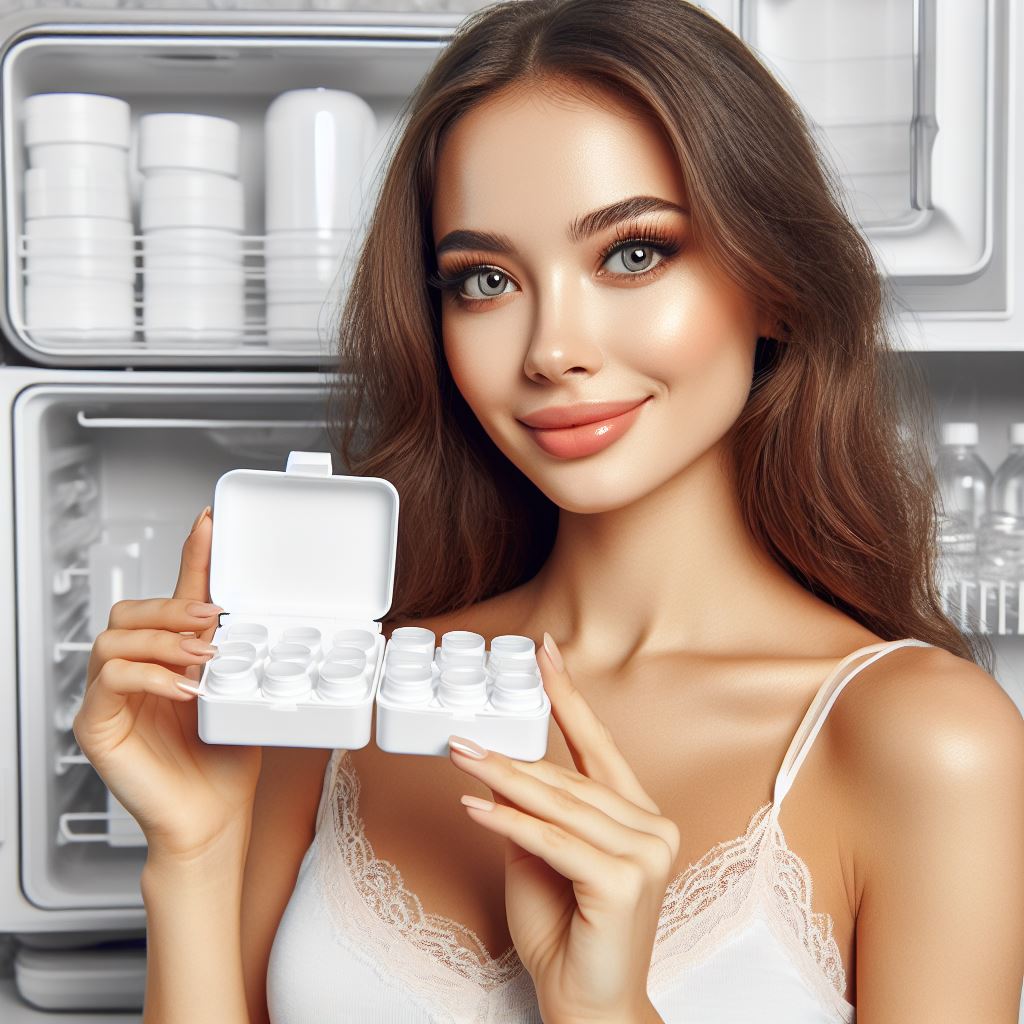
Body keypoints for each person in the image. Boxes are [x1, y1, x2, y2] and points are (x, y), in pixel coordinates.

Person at [74, 1, 1024, 1021]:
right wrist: (194, 852)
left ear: (774, 283)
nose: (550, 348)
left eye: (632, 254)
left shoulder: (924, 740)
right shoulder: (345, 696)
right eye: (484, 279)